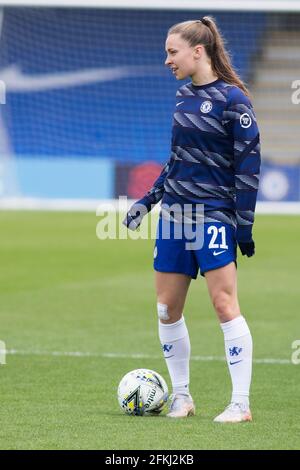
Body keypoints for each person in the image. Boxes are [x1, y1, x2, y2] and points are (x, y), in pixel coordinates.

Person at [123, 16, 260, 423]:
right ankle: (181, 396)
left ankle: (240, 403)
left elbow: (249, 167)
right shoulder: (183, 96)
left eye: (172, 52)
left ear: (197, 51)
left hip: (214, 214)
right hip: (174, 215)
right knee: (166, 309)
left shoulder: (235, 101)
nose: (167, 60)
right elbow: (176, 161)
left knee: (223, 304)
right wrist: (148, 200)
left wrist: (245, 225)